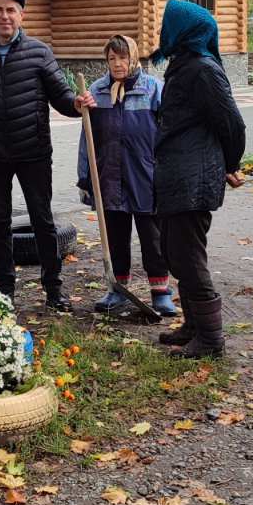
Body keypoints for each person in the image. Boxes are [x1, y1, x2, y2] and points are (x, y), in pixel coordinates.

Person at [0, 0, 91, 311]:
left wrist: (76, 104)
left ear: (21, 15)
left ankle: (53, 289)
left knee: (42, 221)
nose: (4, 16)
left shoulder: (39, 52)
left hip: (33, 151)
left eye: (11, 10)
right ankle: (4, 291)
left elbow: (61, 95)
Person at [152, 0, 246, 357]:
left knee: (188, 257)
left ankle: (210, 339)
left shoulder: (203, 69)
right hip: (177, 175)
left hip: (193, 178)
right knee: (174, 253)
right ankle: (193, 325)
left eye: (167, 24)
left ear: (184, 31)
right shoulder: (184, 65)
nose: (162, 31)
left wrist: (231, 164)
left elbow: (232, 123)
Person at [76, 34, 176, 317]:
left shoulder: (153, 89)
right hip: (109, 177)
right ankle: (117, 289)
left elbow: (169, 133)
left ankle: (161, 292)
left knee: (153, 237)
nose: (117, 64)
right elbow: (86, 138)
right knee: (115, 237)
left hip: (146, 176)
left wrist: (167, 174)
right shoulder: (97, 91)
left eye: (123, 57)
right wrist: (84, 176)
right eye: (112, 58)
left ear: (133, 58)